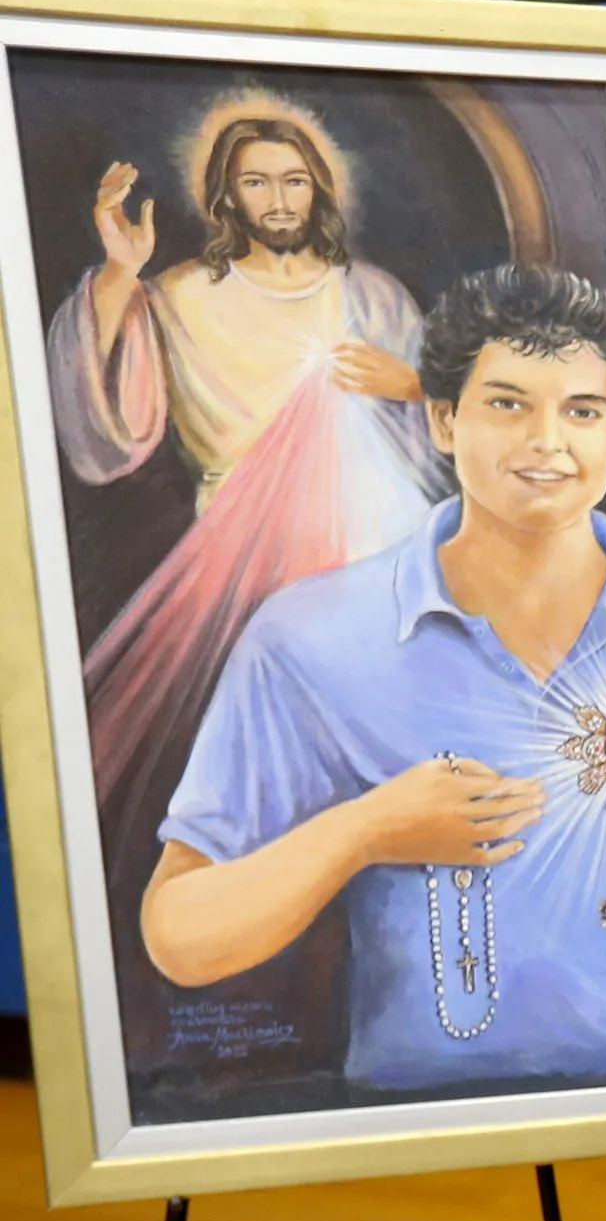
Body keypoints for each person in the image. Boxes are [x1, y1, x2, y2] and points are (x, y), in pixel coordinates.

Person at [140, 266, 606, 1095]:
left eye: (583, 411)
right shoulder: (305, 638)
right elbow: (180, 935)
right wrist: (366, 831)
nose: (548, 441)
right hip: (414, 1139)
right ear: (443, 421)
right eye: (507, 403)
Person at [50, 101, 443, 870]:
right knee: (275, 768)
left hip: (381, 551)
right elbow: (110, 423)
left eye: (295, 181)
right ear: (226, 196)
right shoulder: (179, 295)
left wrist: (418, 387)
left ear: (320, 189)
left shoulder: (373, 295)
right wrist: (119, 276)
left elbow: (452, 437)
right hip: (243, 562)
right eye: (257, 182)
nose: (280, 200)